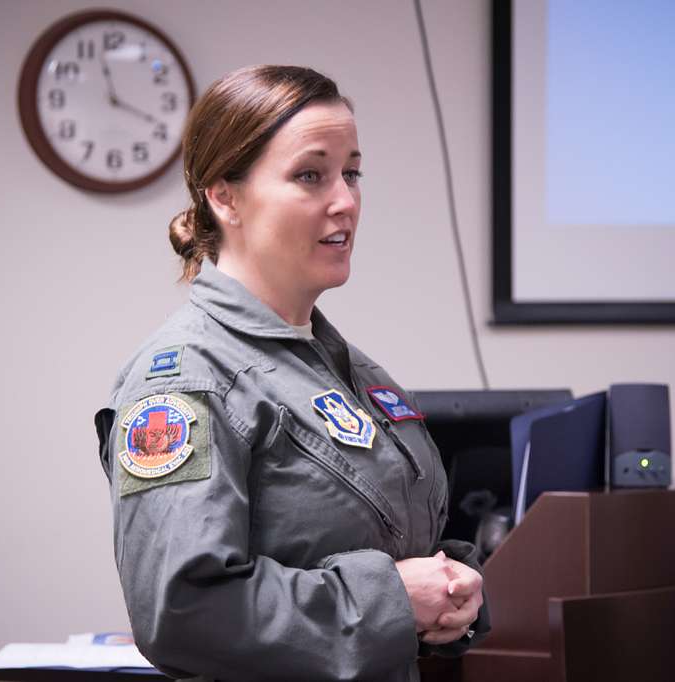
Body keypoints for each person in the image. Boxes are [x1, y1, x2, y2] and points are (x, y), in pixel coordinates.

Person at [94, 65, 489, 682]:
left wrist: (448, 588)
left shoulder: (351, 368)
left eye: (351, 172)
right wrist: (391, 599)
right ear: (224, 196)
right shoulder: (186, 380)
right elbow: (184, 611)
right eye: (311, 175)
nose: (346, 200)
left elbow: (383, 553)